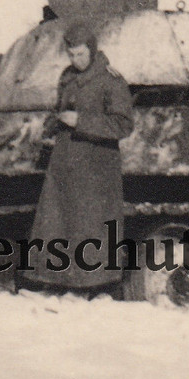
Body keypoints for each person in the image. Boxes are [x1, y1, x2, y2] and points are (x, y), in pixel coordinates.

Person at [26, 21, 135, 291]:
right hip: (65, 163)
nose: (76, 60)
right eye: (72, 55)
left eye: (81, 55)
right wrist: (48, 125)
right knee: (59, 224)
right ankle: (58, 282)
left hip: (96, 167)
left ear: (93, 50)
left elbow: (123, 124)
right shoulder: (67, 76)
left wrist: (82, 121)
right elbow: (61, 109)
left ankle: (90, 286)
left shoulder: (111, 80)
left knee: (89, 228)